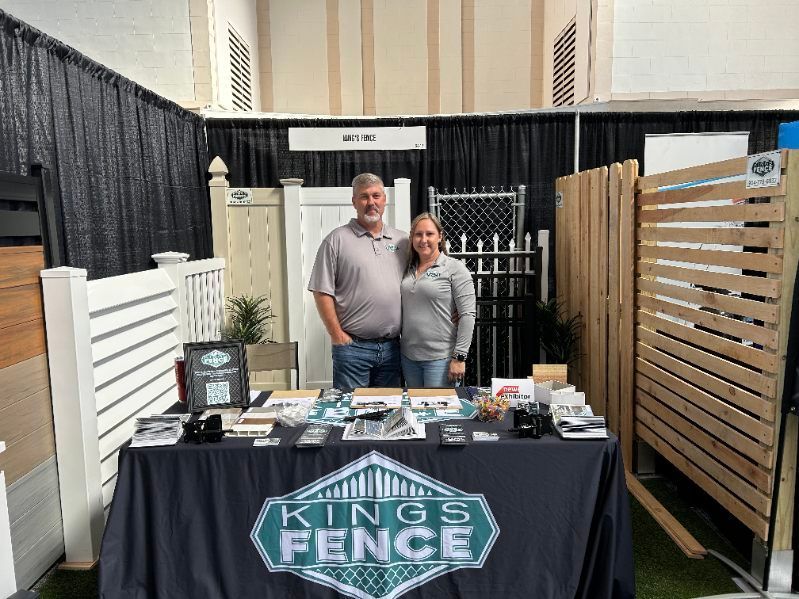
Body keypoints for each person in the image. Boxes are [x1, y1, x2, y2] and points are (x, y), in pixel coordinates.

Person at [307, 173, 409, 390]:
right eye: (364, 197)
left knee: (389, 414)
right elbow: (321, 291)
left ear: (384, 200)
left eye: (376, 196)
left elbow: (422, 283)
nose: (371, 202)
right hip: (353, 349)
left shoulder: (403, 241)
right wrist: (337, 335)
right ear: (354, 202)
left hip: (394, 348)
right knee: (351, 414)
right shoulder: (336, 240)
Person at [400, 212, 476, 388]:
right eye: (418, 234)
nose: (423, 239)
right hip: (409, 358)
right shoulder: (407, 269)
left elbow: (467, 315)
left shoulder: (454, 268)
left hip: (440, 360)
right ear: (412, 238)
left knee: (437, 414)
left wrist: (460, 357)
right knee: (415, 411)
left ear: (440, 236)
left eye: (429, 234)